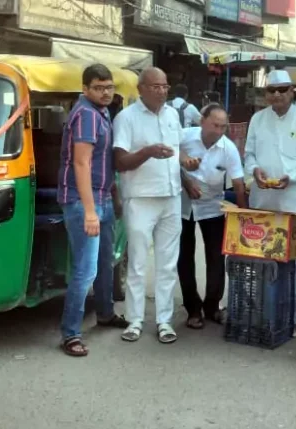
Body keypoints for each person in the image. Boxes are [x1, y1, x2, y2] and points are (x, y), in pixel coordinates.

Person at [56, 64, 128, 357]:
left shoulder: (101, 112)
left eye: (109, 87)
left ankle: (105, 313)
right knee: (85, 271)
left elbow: (102, 162)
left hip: (102, 198)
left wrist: (113, 194)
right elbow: (82, 163)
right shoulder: (86, 114)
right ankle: (70, 333)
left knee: (105, 261)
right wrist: (90, 211)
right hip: (82, 201)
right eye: (99, 88)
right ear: (85, 89)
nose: (105, 92)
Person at [244, 69, 296, 330]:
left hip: (295, 199)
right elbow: (249, 155)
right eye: (271, 90)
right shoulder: (257, 119)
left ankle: (295, 317)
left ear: (292, 92)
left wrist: (294, 176)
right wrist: (254, 170)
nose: (276, 95)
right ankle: (263, 313)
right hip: (263, 199)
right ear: (266, 94)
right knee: (263, 256)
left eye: (282, 90)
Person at [113, 67, 184, 344]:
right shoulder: (126, 118)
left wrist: (186, 174)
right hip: (140, 199)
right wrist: (148, 152)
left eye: (165, 86)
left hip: (171, 197)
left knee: (168, 265)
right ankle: (134, 320)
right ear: (141, 88)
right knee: (139, 263)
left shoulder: (172, 115)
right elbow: (120, 162)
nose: (162, 91)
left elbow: (177, 153)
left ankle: (164, 321)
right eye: (156, 86)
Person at [178, 103, 247, 330]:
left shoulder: (228, 148)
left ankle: (212, 306)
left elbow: (238, 184)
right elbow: (168, 151)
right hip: (182, 206)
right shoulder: (185, 136)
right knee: (184, 258)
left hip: (212, 207)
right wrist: (185, 176)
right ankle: (193, 308)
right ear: (202, 120)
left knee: (217, 258)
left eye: (223, 127)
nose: (218, 131)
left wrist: (243, 216)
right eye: (214, 125)